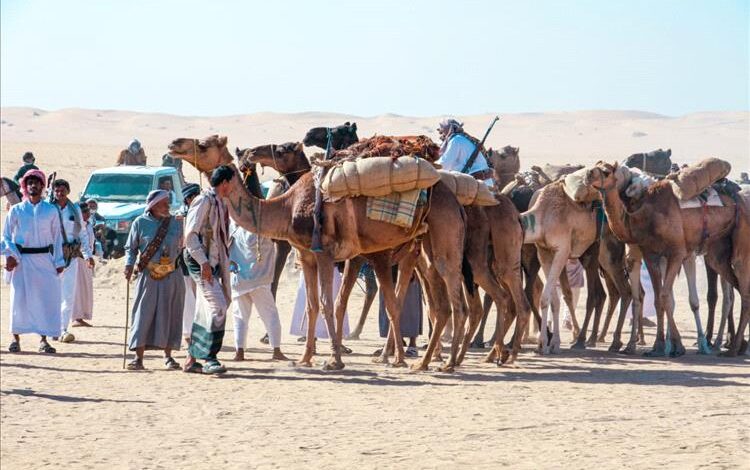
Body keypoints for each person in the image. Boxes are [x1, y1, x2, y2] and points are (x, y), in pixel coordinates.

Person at [2, 169, 65, 353]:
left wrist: (59, 261)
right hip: (21, 261)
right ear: (24, 186)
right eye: (29, 183)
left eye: (36, 183)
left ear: (42, 186)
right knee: (18, 299)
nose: (33, 186)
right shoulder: (16, 210)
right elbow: (6, 236)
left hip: (45, 260)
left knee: (44, 299)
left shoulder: (51, 210)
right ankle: (15, 339)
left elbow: (57, 238)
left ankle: (44, 340)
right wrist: (10, 256)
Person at [123, 190, 186, 370]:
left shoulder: (177, 223)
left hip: (173, 275)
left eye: (168, 203)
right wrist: (128, 265)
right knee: (143, 314)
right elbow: (131, 248)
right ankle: (138, 358)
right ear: (153, 205)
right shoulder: (140, 223)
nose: (168, 206)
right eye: (164, 203)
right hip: (148, 276)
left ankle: (169, 357)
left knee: (171, 314)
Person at [183, 166, 232, 375]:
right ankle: (210, 358)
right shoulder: (204, 201)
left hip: (213, 262)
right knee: (218, 306)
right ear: (225, 183)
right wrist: (203, 262)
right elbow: (191, 234)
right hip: (199, 260)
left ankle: (191, 360)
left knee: (205, 309)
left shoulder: (220, 202)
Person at [228, 221, 290, 361]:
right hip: (260, 280)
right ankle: (276, 350)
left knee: (239, 317)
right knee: (270, 315)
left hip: (238, 279)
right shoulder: (265, 227)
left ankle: (240, 352)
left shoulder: (233, 226)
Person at [52, 179, 94, 343]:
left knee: (68, 295)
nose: (60, 194)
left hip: (71, 256)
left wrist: (88, 255)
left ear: (68, 192)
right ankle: (51, 328)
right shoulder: (49, 209)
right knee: (52, 294)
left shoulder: (75, 210)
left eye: (62, 190)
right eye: (57, 191)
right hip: (52, 257)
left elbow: (82, 234)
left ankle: (62, 329)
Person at [375, 267, 423, 358]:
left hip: (408, 264)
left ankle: (412, 345)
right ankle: (391, 344)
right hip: (388, 267)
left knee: (411, 303)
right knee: (388, 305)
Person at [436, 118, 494, 186]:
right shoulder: (463, 138)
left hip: (477, 184)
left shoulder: (456, 140)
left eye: (441, 132)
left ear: (447, 130)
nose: (441, 135)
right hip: (482, 183)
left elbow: (444, 164)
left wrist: (430, 166)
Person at [179, 183, 201, 346]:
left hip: (201, 261)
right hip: (186, 262)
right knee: (188, 297)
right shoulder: (182, 216)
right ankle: (188, 333)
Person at [71, 202, 95, 327]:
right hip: (77, 260)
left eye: (87, 212)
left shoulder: (89, 225)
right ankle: (75, 317)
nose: (87, 215)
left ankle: (82, 316)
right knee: (76, 289)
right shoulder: (75, 226)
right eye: (84, 212)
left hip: (86, 261)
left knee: (85, 289)